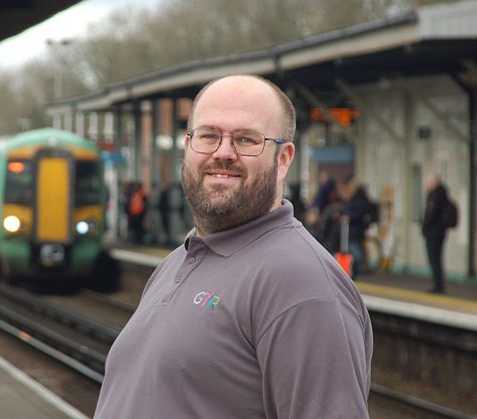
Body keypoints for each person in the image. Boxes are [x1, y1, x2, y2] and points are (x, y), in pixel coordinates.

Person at [94, 75, 373, 419]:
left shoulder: (303, 286)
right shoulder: (176, 261)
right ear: (188, 146)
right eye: (208, 135)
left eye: (246, 139)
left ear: (283, 158)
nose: (223, 153)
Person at [421, 174, 450, 294]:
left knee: (434, 259)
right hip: (440, 233)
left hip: (433, 233)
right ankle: (439, 284)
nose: (427, 184)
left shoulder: (435, 196)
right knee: (437, 259)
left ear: (433, 183)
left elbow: (431, 215)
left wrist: (424, 227)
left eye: (428, 182)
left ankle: (438, 286)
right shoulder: (443, 194)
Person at [339, 176, 372, 279]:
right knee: (354, 249)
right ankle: (356, 270)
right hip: (353, 229)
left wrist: (350, 217)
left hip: (355, 229)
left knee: (355, 250)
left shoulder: (358, 197)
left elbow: (358, 211)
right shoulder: (353, 197)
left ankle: (358, 270)